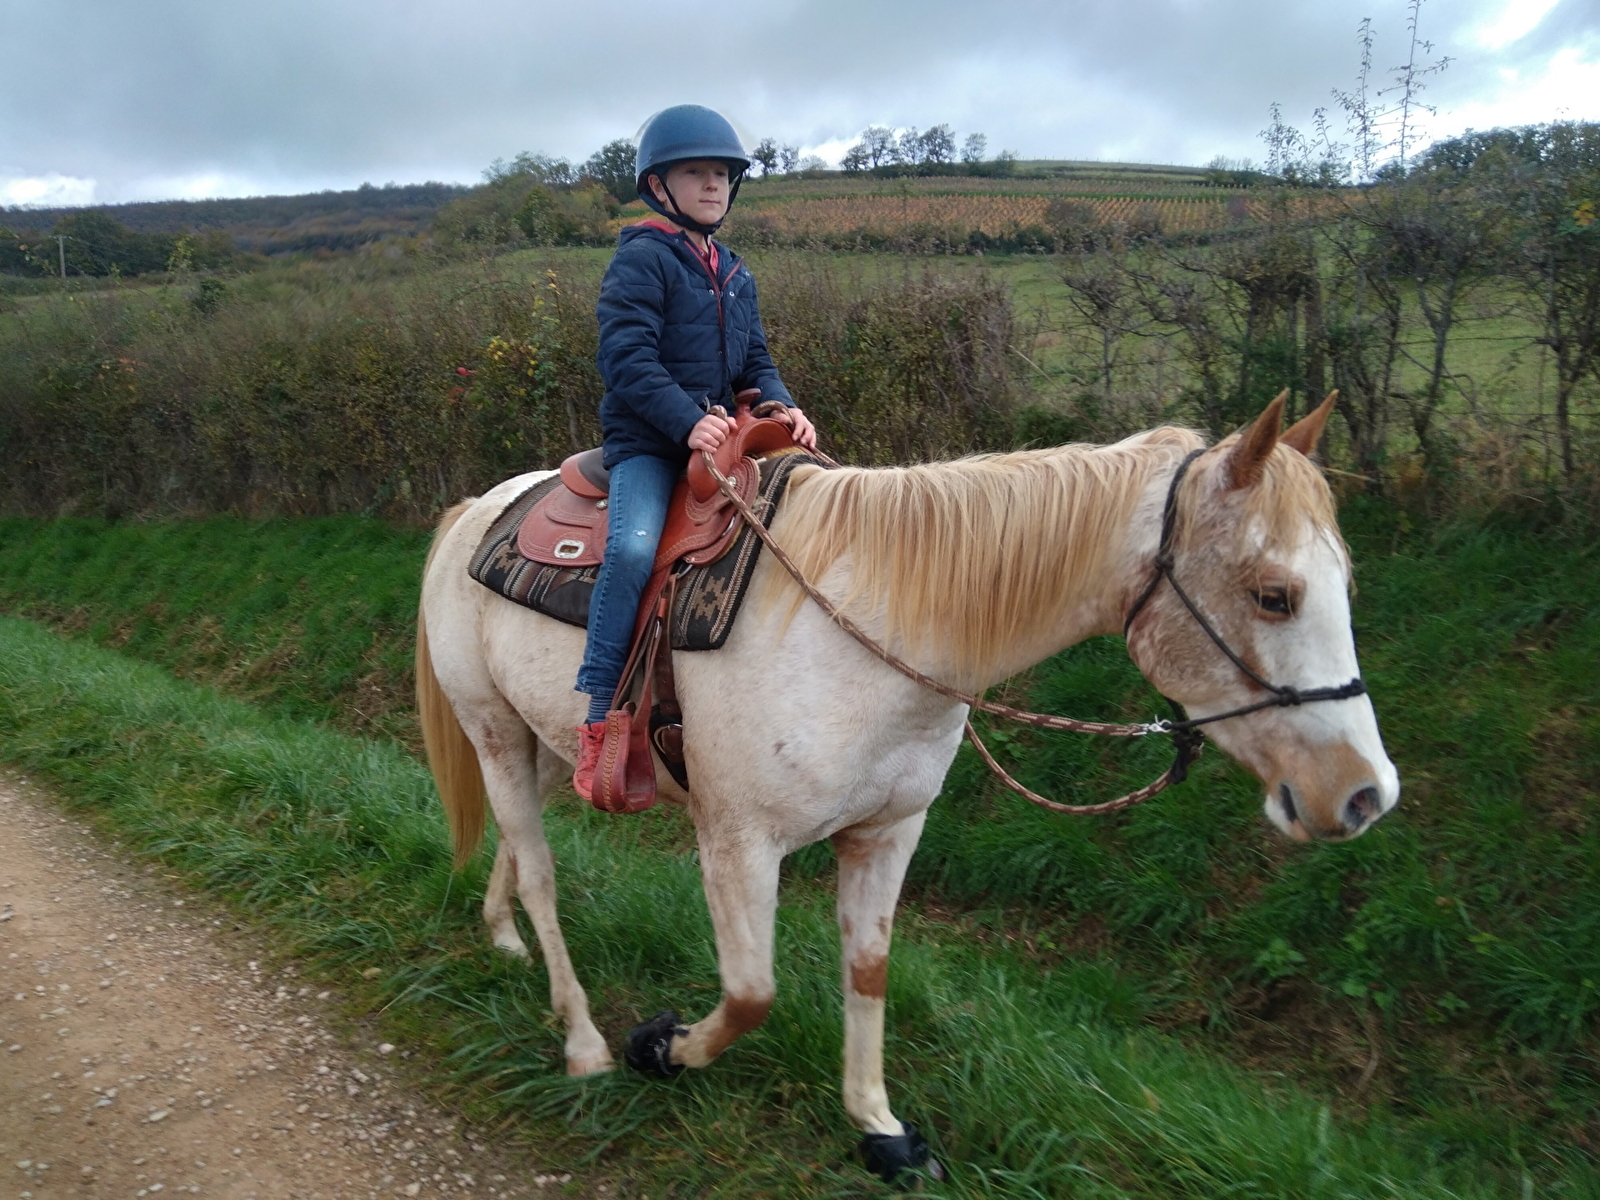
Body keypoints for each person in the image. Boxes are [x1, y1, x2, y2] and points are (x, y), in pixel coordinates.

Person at [572, 104, 818, 800]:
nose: (713, 185)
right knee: (631, 549)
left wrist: (782, 406)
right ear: (659, 185)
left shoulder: (735, 272)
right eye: (696, 173)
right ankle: (599, 717)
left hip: (723, 441)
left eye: (722, 174)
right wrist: (686, 421)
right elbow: (626, 358)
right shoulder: (641, 258)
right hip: (651, 443)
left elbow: (756, 361)